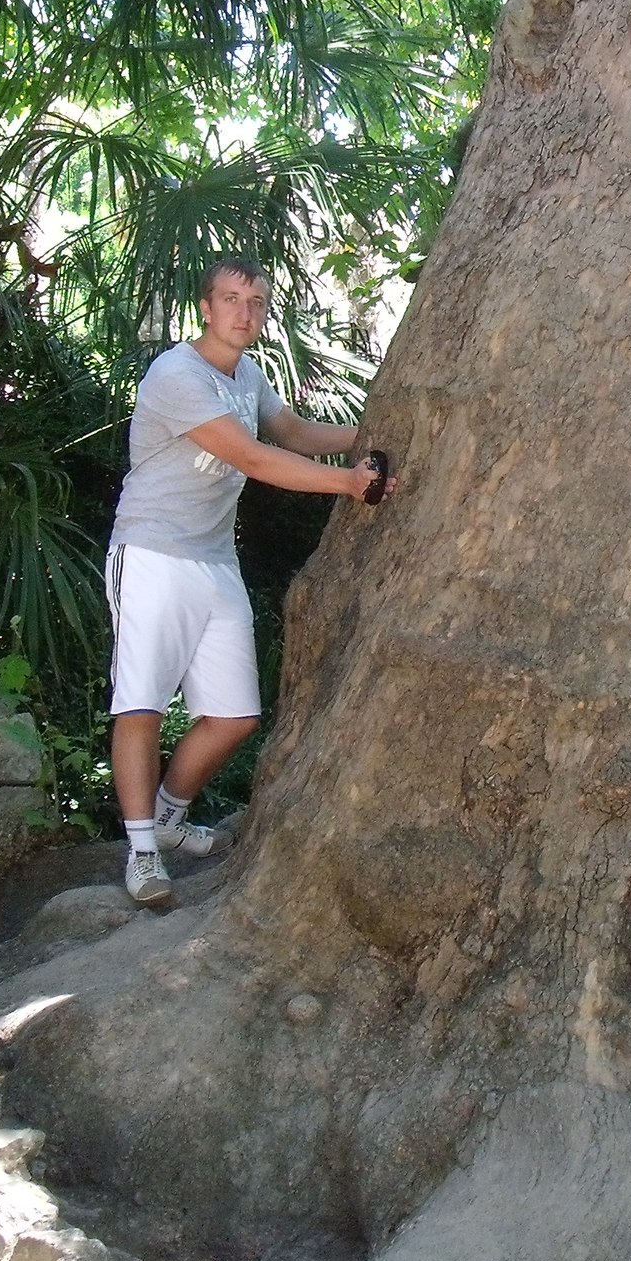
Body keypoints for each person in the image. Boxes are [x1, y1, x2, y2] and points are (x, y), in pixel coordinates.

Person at [106, 253, 392, 908]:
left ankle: (170, 817)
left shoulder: (248, 375)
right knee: (142, 705)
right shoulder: (177, 374)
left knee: (235, 716)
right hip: (152, 552)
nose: (245, 312)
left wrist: (374, 433)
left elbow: (289, 431)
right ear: (206, 307)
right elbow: (253, 457)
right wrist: (350, 484)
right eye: (232, 299)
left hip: (213, 558)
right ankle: (143, 851)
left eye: (256, 302)